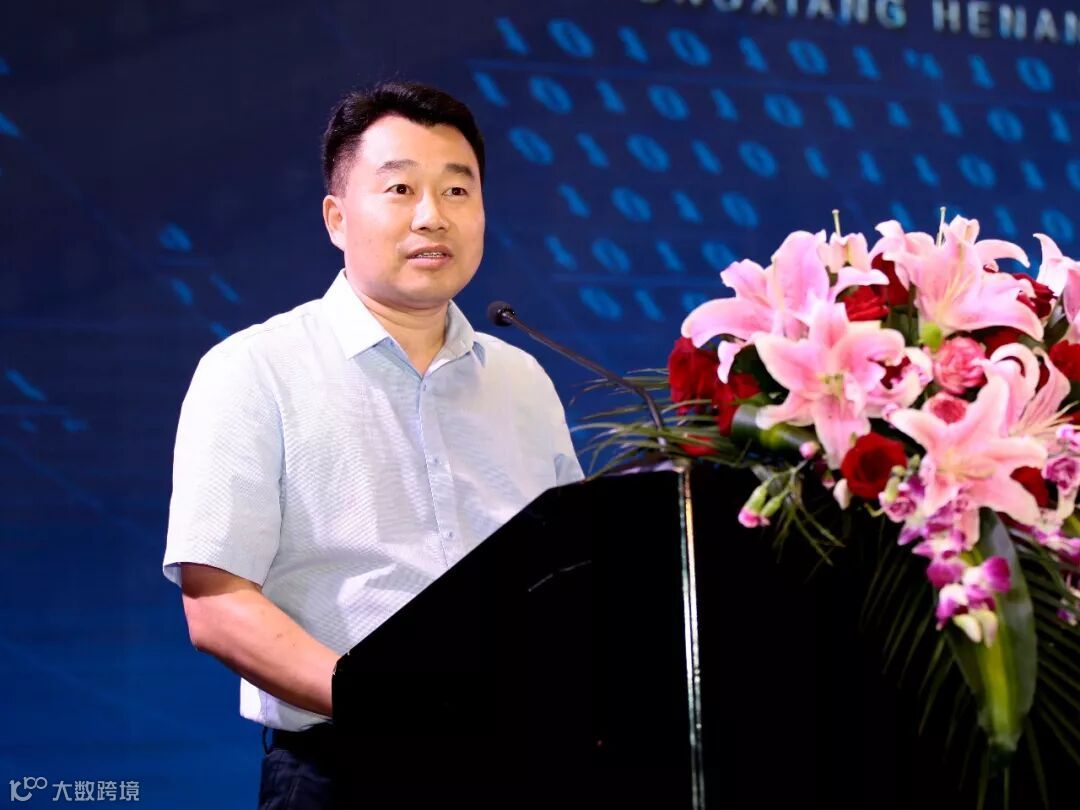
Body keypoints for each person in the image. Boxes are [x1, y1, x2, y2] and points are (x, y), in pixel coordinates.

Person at [162, 81, 583, 808]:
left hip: (527, 762)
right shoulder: (254, 369)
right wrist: (382, 703)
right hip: (345, 769)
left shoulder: (523, 379)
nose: (432, 215)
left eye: (457, 190)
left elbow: (572, 575)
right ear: (336, 217)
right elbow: (218, 603)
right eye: (400, 189)